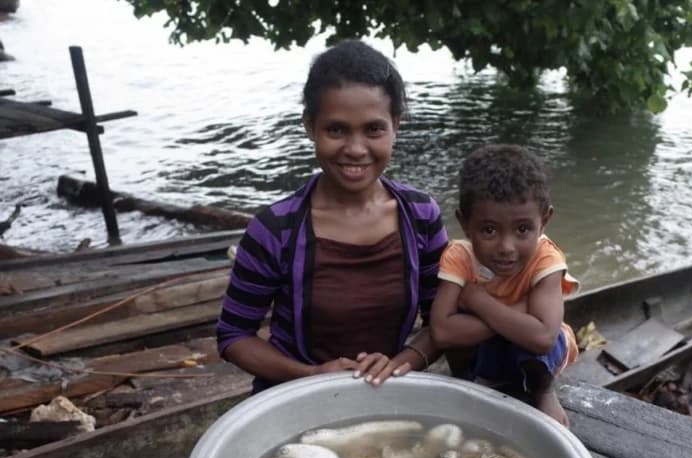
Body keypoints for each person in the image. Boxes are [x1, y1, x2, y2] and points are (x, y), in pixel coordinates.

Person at [215, 39, 448, 394]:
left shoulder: (420, 216)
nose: (355, 149)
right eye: (336, 129)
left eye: (373, 129)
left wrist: (402, 362)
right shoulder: (275, 229)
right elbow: (234, 335)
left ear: (395, 125)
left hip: (386, 392)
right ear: (310, 127)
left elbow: (440, 323)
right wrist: (309, 376)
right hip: (291, 396)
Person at [429, 144, 579, 426]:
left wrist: (477, 301)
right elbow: (442, 331)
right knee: (484, 337)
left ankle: (543, 390)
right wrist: (518, 313)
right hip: (495, 344)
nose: (506, 248)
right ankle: (469, 381)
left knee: (541, 341)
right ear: (464, 223)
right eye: (488, 230)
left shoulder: (546, 258)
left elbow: (543, 337)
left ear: (544, 221)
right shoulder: (459, 256)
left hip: (541, 354)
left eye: (523, 229)